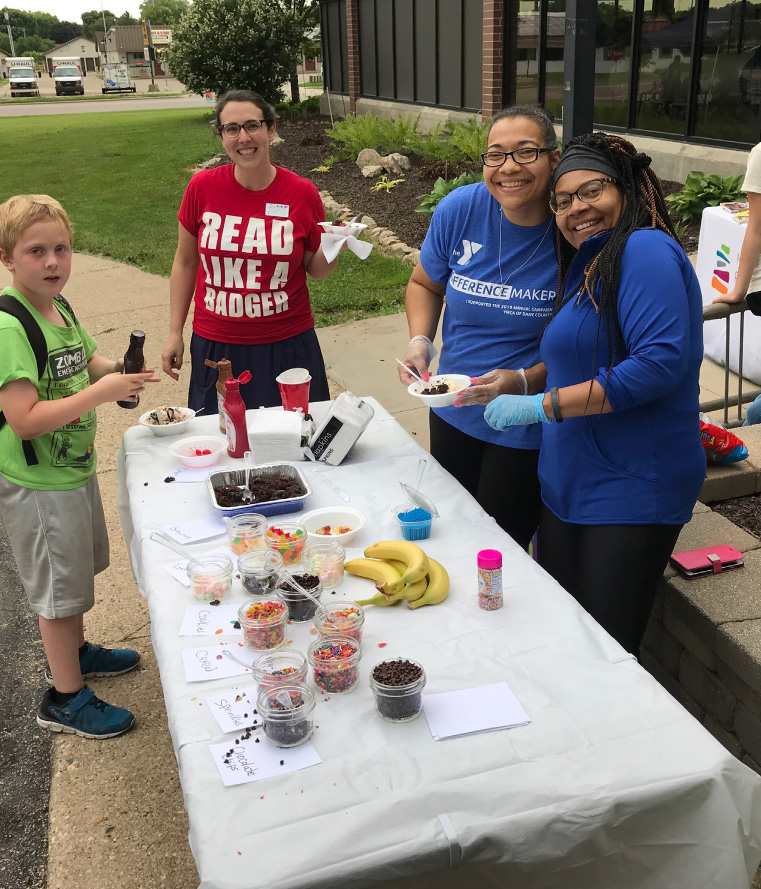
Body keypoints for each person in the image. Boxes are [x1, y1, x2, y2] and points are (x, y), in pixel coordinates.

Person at [484, 133, 705, 655]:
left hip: (629, 486)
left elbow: (657, 365)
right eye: (562, 201)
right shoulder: (592, 259)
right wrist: (522, 381)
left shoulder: (646, 250)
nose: (575, 208)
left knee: (602, 651)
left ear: (627, 189)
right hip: (570, 481)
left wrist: (540, 407)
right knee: (564, 636)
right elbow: (580, 351)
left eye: (592, 191)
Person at [0, 194, 158, 738]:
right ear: (7, 258)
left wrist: (118, 370)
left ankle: (78, 650)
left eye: (61, 249)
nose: (51, 262)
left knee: (72, 575)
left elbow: (86, 358)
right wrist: (102, 392)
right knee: (55, 591)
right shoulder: (10, 328)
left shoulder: (59, 307)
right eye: (35, 251)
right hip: (38, 482)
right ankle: (64, 697)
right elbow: (23, 419)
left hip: (71, 470)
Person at [397, 105, 560, 550]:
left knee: (498, 545)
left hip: (526, 420)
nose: (508, 167)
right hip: (453, 406)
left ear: (554, 159)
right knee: (450, 529)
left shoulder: (570, 230)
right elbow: (424, 283)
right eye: (495, 155)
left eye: (526, 153)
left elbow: (590, 341)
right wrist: (419, 342)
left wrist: (526, 380)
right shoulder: (462, 209)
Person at [161, 89, 342, 413]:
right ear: (222, 137)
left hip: (288, 344)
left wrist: (336, 243)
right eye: (232, 129)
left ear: (271, 130)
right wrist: (175, 332)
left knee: (294, 444)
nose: (243, 137)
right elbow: (186, 263)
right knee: (222, 443)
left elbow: (316, 269)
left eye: (252, 126)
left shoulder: (302, 194)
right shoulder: (202, 188)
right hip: (217, 345)